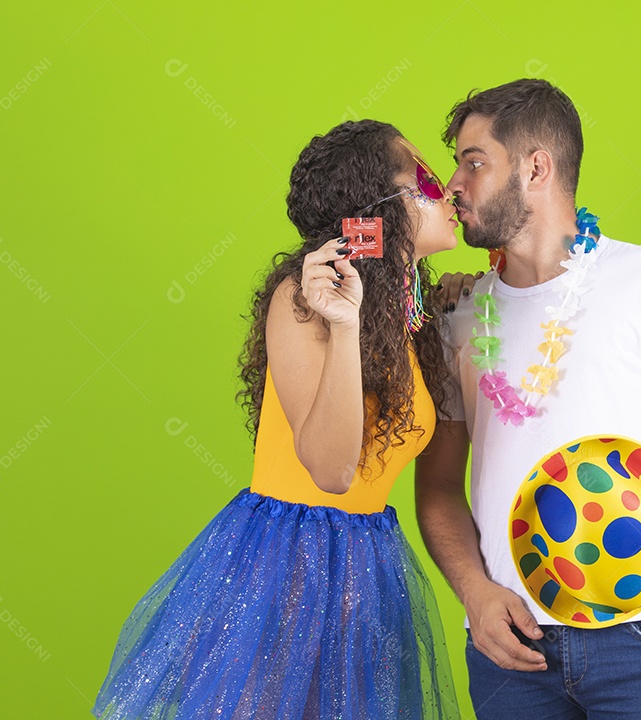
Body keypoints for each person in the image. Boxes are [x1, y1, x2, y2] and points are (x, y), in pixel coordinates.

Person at [93, 119, 461, 719]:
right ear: (376, 211)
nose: (444, 188)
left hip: (367, 563)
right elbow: (332, 469)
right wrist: (343, 327)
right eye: (421, 177)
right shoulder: (306, 302)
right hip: (287, 566)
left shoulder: (407, 309)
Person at [416, 79, 641, 719]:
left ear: (537, 167)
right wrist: (474, 595)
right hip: (509, 646)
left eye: (474, 161)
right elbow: (437, 487)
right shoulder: (458, 314)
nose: (452, 186)